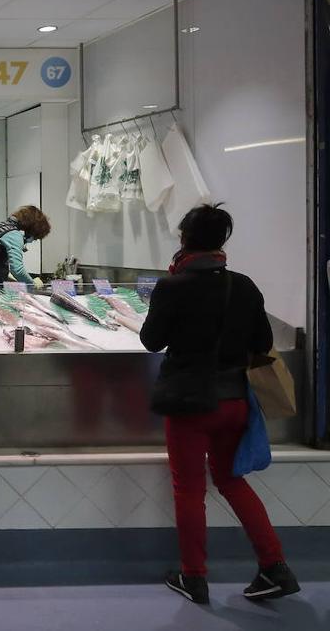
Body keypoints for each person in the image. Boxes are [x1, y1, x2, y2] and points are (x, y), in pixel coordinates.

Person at [140, 204, 299, 605]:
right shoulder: (243, 285)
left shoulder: (173, 286)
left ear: (184, 239)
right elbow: (262, 344)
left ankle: (193, 577)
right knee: (232, 481)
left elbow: (151, 340)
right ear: (222, 241)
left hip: (188, 404)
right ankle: (275, 566)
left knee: (189, 489)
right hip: (234, 403)